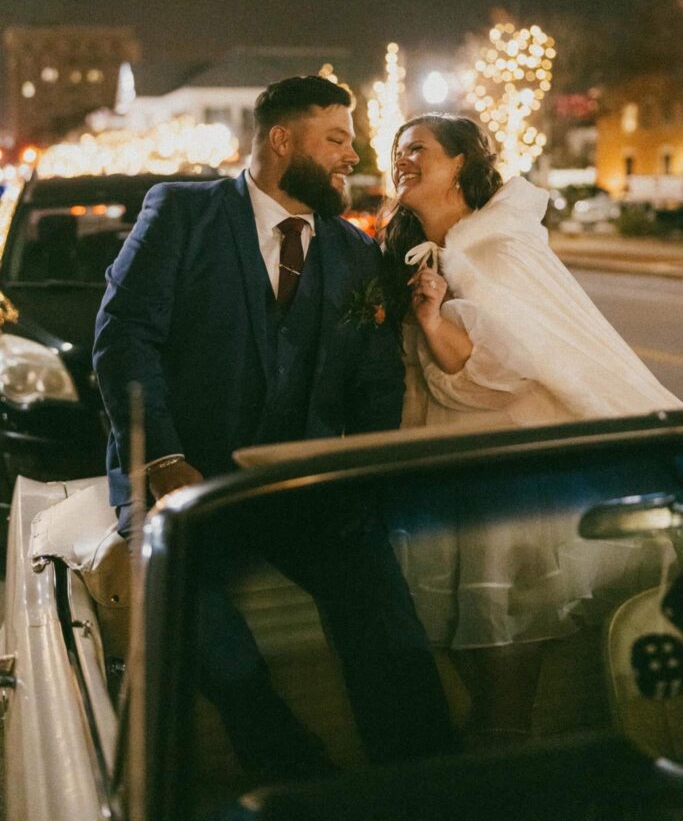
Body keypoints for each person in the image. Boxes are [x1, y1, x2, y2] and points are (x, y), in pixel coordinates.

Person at [93, 77, 455, 783]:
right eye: (336, 139)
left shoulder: (355, 254)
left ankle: (427, 782)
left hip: (299, 488)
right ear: (281, 140)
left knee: (384, 617)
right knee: (213, 643)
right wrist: (162, 458)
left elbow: (375, 384)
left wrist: (365, 479)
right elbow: (124, 338)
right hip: (181, 486)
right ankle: (295, 780)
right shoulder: (181, 213)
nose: (352, 155)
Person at [381, 113, 683, 744]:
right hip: (447, 476)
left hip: (514, 486)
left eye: (418, 149)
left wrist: (436, 326)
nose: (401, 159)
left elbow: (512, 364)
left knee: (505, 675)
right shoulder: (416, 252)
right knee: (479, 669)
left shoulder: (501, 248)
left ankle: (500, 789)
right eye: (396, 151)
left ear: (461, 162)